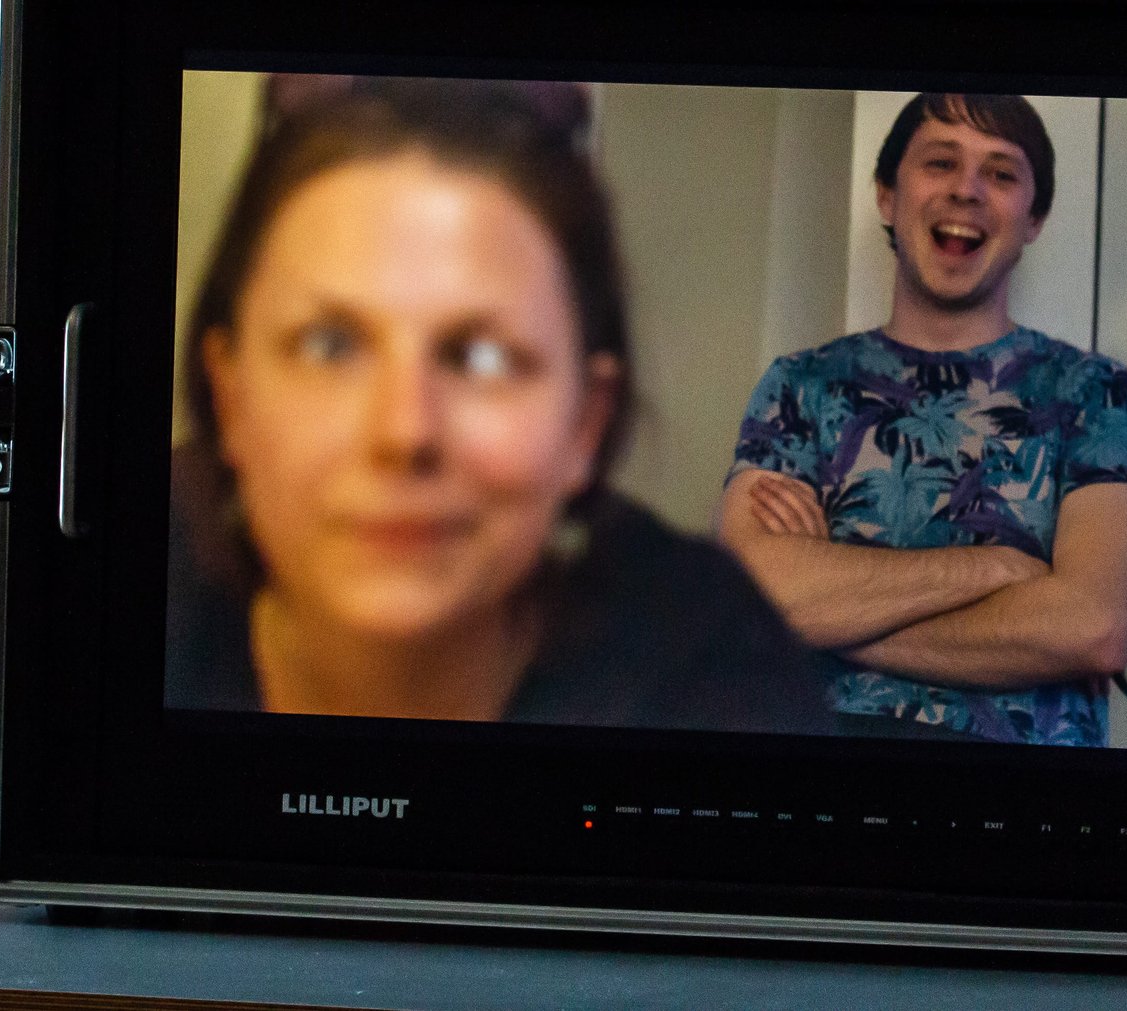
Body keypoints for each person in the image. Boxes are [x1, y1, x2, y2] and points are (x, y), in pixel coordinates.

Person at [168, 76, 829, 733]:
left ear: (586, 422)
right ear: (231, 398)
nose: (404, 429)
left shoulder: (712, 657)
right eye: (330, 346)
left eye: (483, 358)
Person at [718, 92, 1127, 746]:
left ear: (1034, 217)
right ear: (887, 195)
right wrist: (996, 570)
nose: (967, 190)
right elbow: (746, 599)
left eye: (1002, 173)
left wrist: (832, 613)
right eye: (940, 162)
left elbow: (1096, 626)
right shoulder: (799, 385)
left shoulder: (1098, 393)